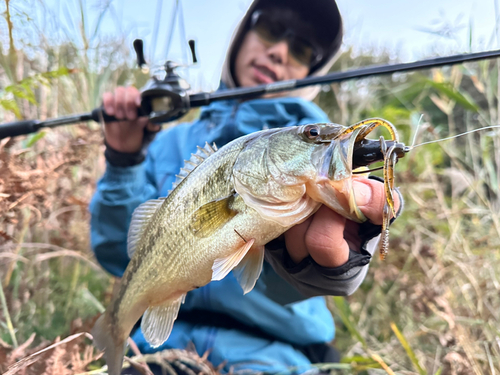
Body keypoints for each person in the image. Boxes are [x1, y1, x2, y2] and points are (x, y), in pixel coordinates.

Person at [90, 0, 402, 373]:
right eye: (270, 29)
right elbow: (117, 255)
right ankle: (113, 329)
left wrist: (324, 268)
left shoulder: (319, 157)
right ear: (242, 34)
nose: (279, 50)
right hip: (157, 355)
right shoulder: (168, 143)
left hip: (274, 357)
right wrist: (125, 161)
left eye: (302, 49)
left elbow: (287, 289)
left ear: (313, 71)